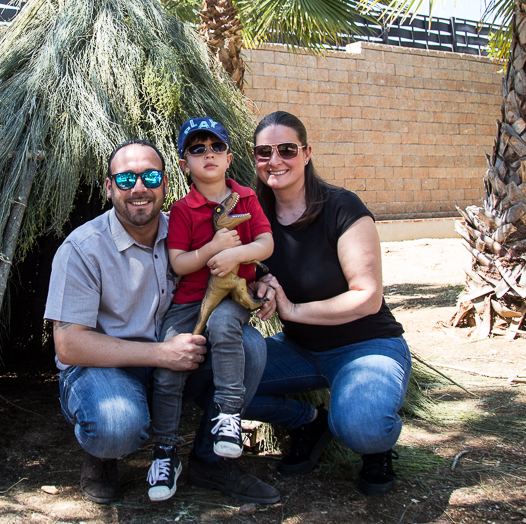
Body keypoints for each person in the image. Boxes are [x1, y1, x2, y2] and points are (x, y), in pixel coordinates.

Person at [45, 139, 280, 506]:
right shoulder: (83, 249)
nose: (139, 188)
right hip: (105, 367)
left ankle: (210, 460)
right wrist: (160, 354)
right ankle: (103, 456)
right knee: (117, 424)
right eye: (125, 179)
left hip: (173, 357)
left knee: (250, 346)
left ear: (166, 185)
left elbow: (233, 258)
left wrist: (264, 278)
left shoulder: (184, 231)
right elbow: (70, 345)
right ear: (109, 187)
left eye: (150, 177)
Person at [244, 111, 411, 496]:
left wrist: (293, 311)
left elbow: (367, 298)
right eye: (264, 152)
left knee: (362, 426)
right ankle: (308, 421)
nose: (275, 160)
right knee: (218, 383)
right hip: (300, 349)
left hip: (366, 347)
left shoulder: (341, 207)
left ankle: (375, 447)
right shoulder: (255, 219)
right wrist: (259, 286)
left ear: (306, 154)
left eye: (287, 149)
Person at [146, 118, 273, 501]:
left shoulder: (247, 198)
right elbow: (180, 263)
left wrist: (237, 252)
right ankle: (165, 450)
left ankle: (229, 415)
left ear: (229, 157)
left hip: (231, 295)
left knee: (224, 328)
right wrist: (211, 249)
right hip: (189, 302)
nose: (208, 155)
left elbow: (265, 243)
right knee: (169, 362)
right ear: (185, 164)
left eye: (216, 148)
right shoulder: (183, 209)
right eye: (197, 149)